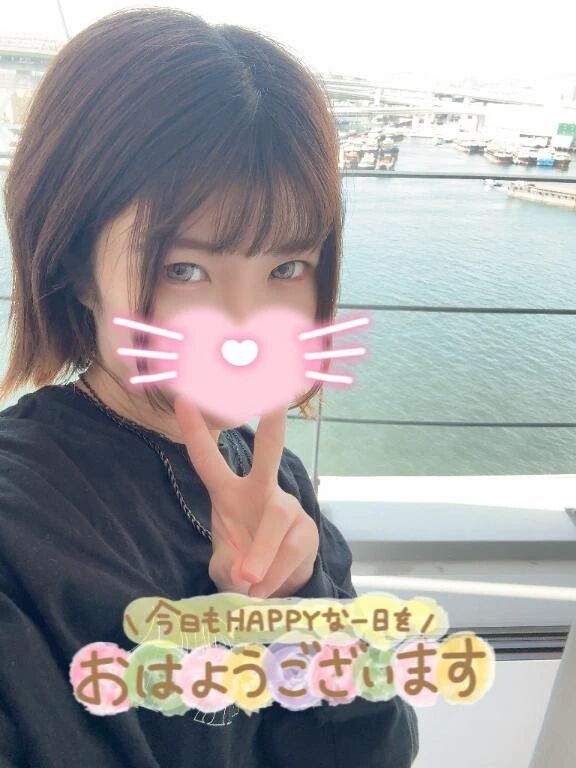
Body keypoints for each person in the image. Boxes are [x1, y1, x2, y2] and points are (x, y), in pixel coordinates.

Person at [0, 7, 419, 767]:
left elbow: (371, 753)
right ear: (73, 266)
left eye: (286, 267)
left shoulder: (276, 482)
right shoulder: (19, 523)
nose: (244, 326)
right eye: (185, 269)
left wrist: (297, 608)